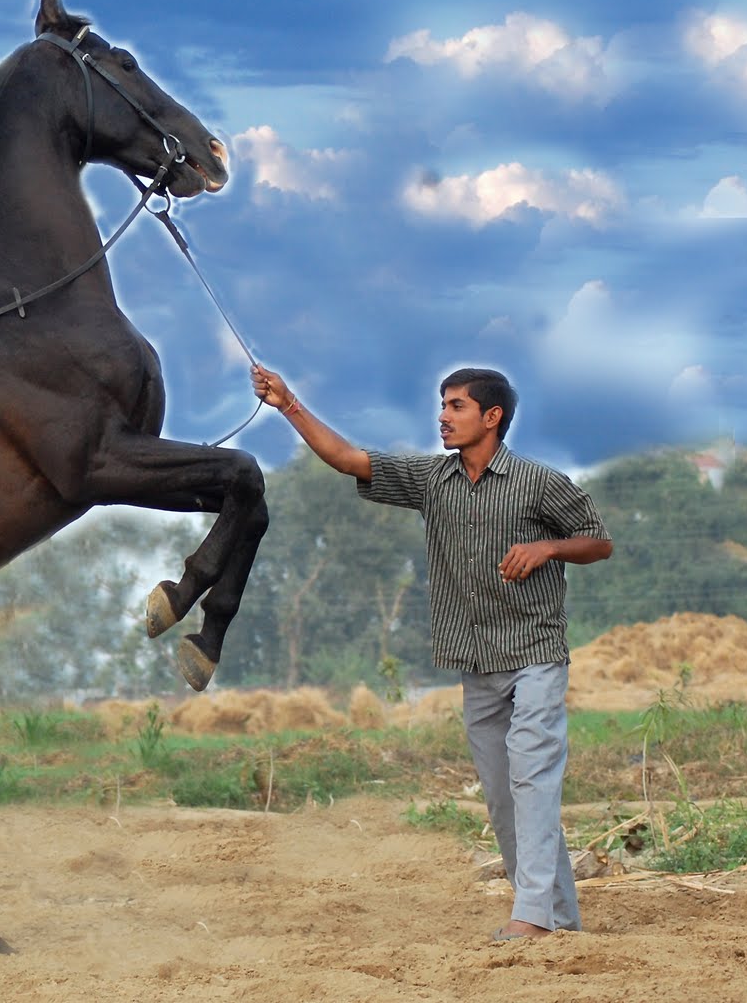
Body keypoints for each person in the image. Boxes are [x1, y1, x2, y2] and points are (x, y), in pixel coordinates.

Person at [251, 363, 612, 941]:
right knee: (502, 795)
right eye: (442, 405)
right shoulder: (430, 480)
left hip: (535, 651)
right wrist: (287, 402)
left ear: (492, 417)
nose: (442, 416)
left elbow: (599, 542)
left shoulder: (540, 482)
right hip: (475, 659)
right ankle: (557, 915)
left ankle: (532, 917)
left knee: (532, 777)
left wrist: (548, 547)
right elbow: (348, 459)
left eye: (457, 406)